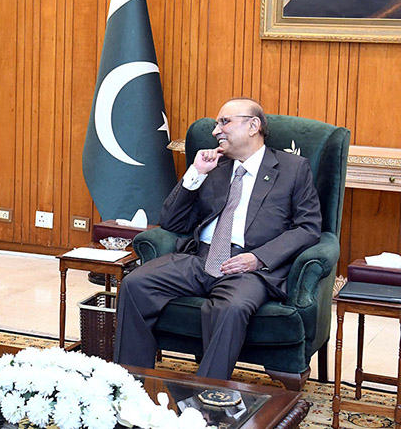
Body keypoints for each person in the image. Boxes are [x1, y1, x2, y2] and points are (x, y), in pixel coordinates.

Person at [113, 98, 321, 379]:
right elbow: (173, 222)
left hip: (249, 269)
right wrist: (195, 174)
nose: (215, 131)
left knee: (231, 308)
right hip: (201, 258)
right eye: (215, 124)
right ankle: (131, 382)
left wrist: (258, 258)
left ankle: (205, 397)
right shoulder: (216, 167)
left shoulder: (292, 168)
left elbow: (308, 228)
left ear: (253, 126)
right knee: (135, 283)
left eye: (224, 122)